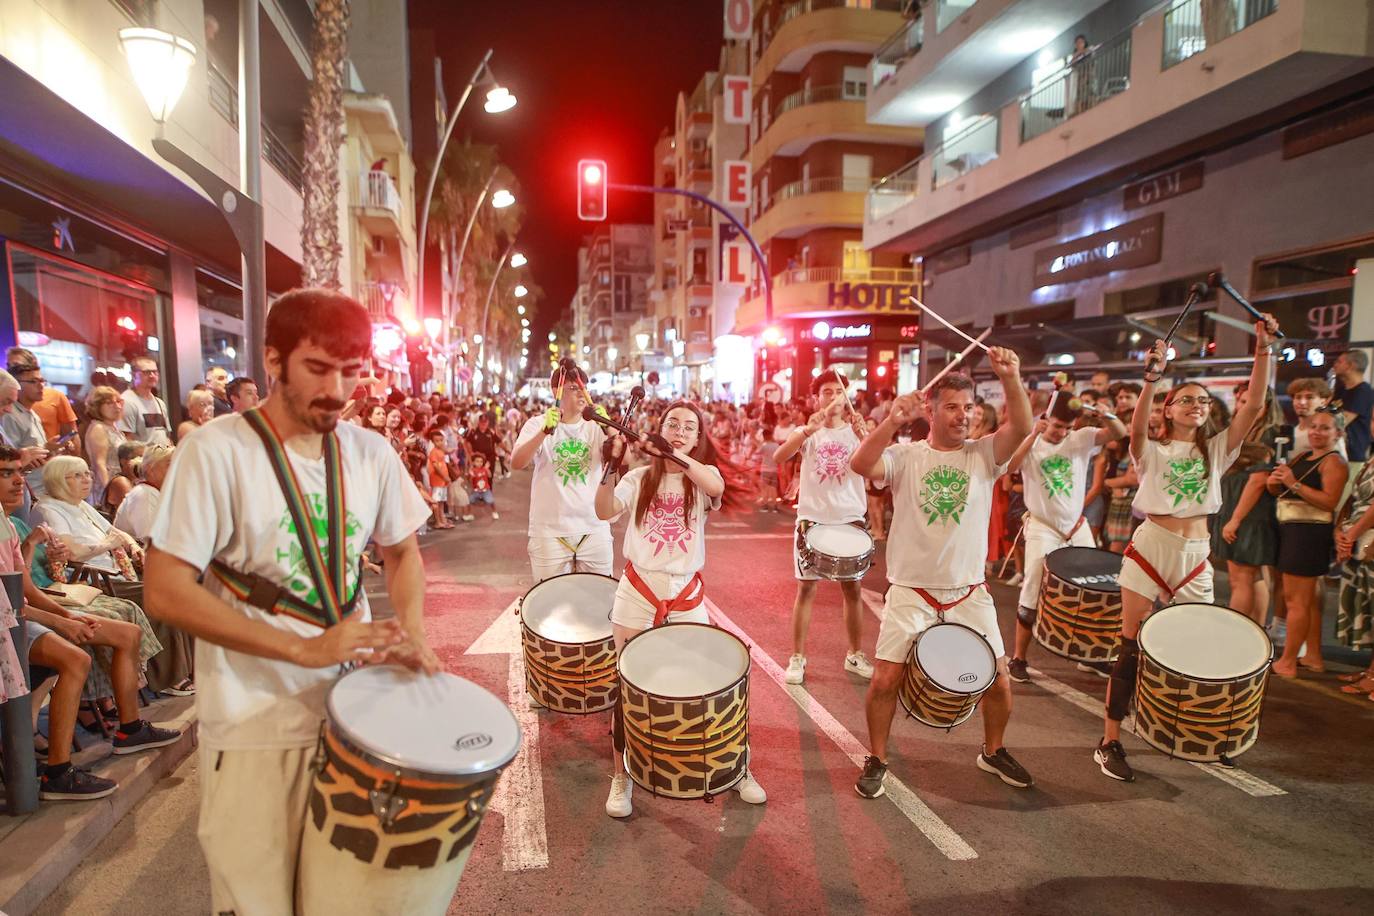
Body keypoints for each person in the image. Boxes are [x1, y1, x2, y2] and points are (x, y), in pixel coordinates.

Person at [142, 288, 438, 914]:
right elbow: (165, 587)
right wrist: (303, 648)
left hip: (357, 723)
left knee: (350, 902)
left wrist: (410, 631)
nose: (337, 389)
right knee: (258, 905)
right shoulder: (215, 450)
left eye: (352, 372)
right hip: (255, 727)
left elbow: (403, 552)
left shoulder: (370, 452)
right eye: (318, 368)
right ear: (273, 360)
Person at [1094, 317, 1277, 783]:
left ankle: (1192, 729)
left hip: (1197, 554)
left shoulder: (1216, 451)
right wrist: (1152, 378)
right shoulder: (1151, 451)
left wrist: (1263, 350)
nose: (1197, 405)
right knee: (1131, 647)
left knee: (1195, 647)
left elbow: (1253, 404)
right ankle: (1110, 739)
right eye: (1186, 399)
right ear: (1169, 410)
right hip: (1151, 550)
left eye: (1202, 399)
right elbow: (1136, 428)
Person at [849, 347, 1036, 800]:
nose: (962, 415)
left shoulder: (984, 455)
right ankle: (877, 757)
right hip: (911, 590)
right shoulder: (905, 454)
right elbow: (860, 465)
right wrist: (892, 419)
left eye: (968, 407)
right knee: (885, 679)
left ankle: (992, 751)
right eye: (951, 407)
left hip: (968, 591)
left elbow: (1023, 428)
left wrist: (1010, 375)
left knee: (999, 677)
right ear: (930, 412)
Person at [596, 400, 765, 817]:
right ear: (659, 427)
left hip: (686, 594)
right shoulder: (637, 479)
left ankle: (737, 765)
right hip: (637, 592)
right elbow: (602, 511)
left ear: (698, 438)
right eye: (672, 423)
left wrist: (674, 455)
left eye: (689, 427)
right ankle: (622, 775)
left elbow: (715, 487)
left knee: (710, 684)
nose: (679, 430)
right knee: (628, 687)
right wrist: (610, 465)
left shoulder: (701, 479)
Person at [0, 446, 181, 799]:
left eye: (18, 471)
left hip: (37, 605)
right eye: (5, 473)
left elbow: (23, 586)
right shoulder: (34, 513)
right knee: (75, 658)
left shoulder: (9, 521)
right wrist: (62, 621)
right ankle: (58, 771)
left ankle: (129, 729)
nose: (18, 480)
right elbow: (11, 602)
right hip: (14, 622)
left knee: (127, 633)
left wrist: (66, 614)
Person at [1005, 394, 1127, 683]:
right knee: (1032, 589)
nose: (1061, 432)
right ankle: (1019, 658)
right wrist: (1034, 432)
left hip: (1076, 525)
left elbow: (1120, 434)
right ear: (1046, 419)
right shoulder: (1033, 443)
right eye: (1057, 425)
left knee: (1098, 589)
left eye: (1067, 427)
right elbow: (1010, 467)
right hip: (1043, 526)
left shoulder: (1081, 438)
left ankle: (1091, 656)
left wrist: (1106, 414)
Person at [775, 370, 874, 686]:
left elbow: (879, 468)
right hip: (813, 519)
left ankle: (855, 653)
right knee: (806, 589)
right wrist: (806, 430)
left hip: (850, 519)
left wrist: (866, 437)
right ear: (816, 398)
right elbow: (779, 456)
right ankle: (797, 657)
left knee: (853, 589)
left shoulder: (857, 431)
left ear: (847, 398)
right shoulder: (809, 431)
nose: (832, 397)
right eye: (826, 392)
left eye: (838, 391)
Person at [511, 364, 612, 580]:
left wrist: (608, 425)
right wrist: (544, 432)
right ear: (556, 391)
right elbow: (517, 462)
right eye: (574, 388)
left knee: (601, 600)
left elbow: (625, 458)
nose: (581, 393)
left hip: (594, 529)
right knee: (549, 603)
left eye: (584, 388)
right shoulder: (536, 424)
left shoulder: (595, 426)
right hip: (549, 532)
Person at [1267, 410, 1346, 677]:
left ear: (1338, 433)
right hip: (1292, 531)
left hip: (1310, 535)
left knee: (1296, 601)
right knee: (1305, 601)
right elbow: (1283, 489)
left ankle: (1288, 661)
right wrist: (1275, 483)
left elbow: (1329, 502)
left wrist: (1293, 483)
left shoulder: (1334, 462)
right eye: (1313, 426)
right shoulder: (1303, 456)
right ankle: (1312, 656)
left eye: (1325, 428)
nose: (1317, 432)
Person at [6, 346, 80, 448]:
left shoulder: (54, 397)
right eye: (8, 365)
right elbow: (10, 456)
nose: (10, 370)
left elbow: (72, 433)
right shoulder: (8, 410)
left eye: (16, 365)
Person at [113, 444, 174, 543]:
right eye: (170, 464)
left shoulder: (161, 492)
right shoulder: (145, 495)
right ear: (151, 470)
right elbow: (151, 542)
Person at [83, 386, 127, 508]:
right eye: (109, 403)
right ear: (97, 406)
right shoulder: (99, 428)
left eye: (118, 401)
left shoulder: (115, 428)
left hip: (118, 482)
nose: (116, 406)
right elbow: (99, 464)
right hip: (105, 485)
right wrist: (108, 491)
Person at [1333, 349, 1373, 476]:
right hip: (1334, 453)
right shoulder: (1340, 390)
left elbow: (1341, 421)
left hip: (1351, 456)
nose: (1335, 364)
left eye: (1339, 361)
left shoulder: (1363, 391)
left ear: (1351, 365)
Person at [425, 429, 455, 530]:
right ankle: (438, 521)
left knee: (441, 502)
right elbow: (436, 467)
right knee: (436, 501)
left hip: (442, 481)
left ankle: (442, 520)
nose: (440, 442)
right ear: (432, 442)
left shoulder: (440, 451)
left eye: (441, 440)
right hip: (437, 480)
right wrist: (445, 476)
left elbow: (448, 451)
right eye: (437, 441)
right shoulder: (433, 452)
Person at [467, 453, 497, 520]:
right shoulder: (473, 470)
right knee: (469, 501)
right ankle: (469, 514)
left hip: (485, 490)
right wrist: (471, 475)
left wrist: (487, 469)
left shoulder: (484, 469)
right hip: (476, 490)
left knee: (490, 501)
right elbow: (469, 481)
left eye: (481, 461)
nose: (479, 463)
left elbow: (490, 476)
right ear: (473, 462)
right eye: (477, 461)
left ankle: (494, 512)